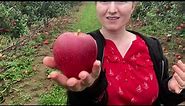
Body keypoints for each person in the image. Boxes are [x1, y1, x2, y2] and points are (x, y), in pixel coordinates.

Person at [43, 1, 185, 105]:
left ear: (133, 6)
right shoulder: (82, 49)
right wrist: (86, 92)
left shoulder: (152, 46)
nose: (112, 9)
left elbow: (161, 97)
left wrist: (170, 88)